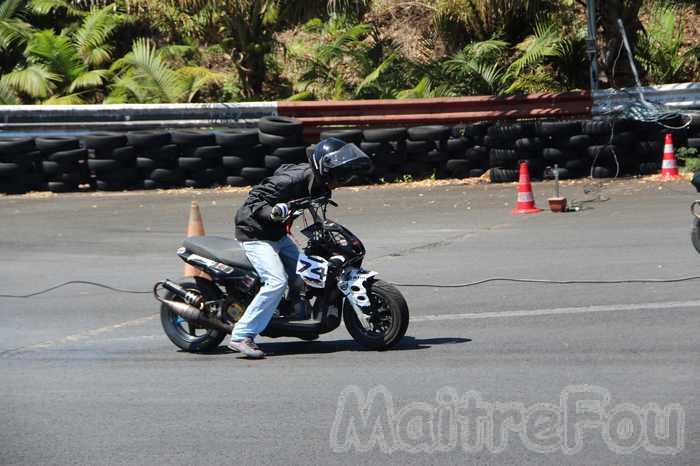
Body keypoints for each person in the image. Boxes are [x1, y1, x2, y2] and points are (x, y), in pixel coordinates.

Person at [229, 138, 372, 358]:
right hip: (254, 233)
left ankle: (294, 319)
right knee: (277, 282)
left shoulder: (320, 184)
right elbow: (254, 201)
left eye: (345, 174)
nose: (342, 180)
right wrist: (273, 212)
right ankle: (241, 335)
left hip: (278, 234)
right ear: (324, 169)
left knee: (305, 272)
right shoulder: (292, 179)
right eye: (339, 174)